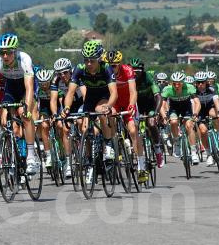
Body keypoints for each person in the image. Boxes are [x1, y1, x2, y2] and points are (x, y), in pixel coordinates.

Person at [0, 33, 40, 175]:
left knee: (24, 114)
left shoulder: (24, 58)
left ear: (15, 51)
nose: (5, 56)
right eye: (2, 52)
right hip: (10, 87)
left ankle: (31, 156)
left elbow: (29, 87)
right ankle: (10, 151)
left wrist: (27, 106)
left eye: (9, 52)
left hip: (24, 87)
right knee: (4, 118)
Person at [63, 40, 118, 182]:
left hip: (104, 97)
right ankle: (89, 159)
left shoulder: (106, 68)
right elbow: (70, 92)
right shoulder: (79, 69)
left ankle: (108, 145)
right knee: (85, 128)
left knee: (101, 110)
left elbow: (114, 93)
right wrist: (67, 108)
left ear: (99, 59)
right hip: (89, 99)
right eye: (86, 60)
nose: (88, 63)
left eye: (92, 61)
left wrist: (109, 106)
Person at [104, 49, 148, 184]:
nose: (112, 68)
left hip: (128, 102)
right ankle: (114, 146)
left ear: (120, 64)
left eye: (114, 65)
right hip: (115, 104)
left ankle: (141, 166)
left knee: (134, 131)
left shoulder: (128, 70)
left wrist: (131, 105)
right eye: (109, 65)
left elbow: (133, 91)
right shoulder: (105, 72)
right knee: (109, 118)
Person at [160, 71, 201, 165]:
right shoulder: (167, 89)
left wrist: (195, 113)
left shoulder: (189, 87)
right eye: (174, 83)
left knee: (189, 126)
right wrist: (164, 116)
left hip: (186, 108)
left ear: (183, 83)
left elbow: (197, 102)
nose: (176, 86)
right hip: (174, 108)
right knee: (173, 122)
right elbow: (162, 105)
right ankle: (176, 142)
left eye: (179, 83)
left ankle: (194, 152)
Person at [131, 58, 164, 168]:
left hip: (150, 104)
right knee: (131, 125)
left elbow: (158, 96)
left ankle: (158, 149)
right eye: (133, 71)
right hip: (137, 105)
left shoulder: (148, 77)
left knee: (151, 123)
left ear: (143, 71)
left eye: (138, 71)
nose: (135, 74)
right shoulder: (130, 79)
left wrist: (156, 112)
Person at [193, 71, 219, 166]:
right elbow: (193, 104)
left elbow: (216, 102)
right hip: (200, 111)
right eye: (198, 82)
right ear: (195, 83)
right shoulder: (193, 91)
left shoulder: (211, 89)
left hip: (210, 107)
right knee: (203, 131)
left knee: (216, 116)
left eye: (202, 82)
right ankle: (209, 154)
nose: (200, 84)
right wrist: (194, 116)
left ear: (206, 82)